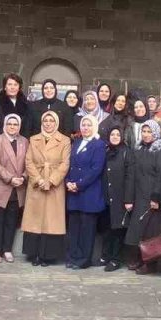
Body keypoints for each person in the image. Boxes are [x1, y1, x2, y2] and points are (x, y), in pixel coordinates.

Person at [23, 111, 71, 266]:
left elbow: (65, 163)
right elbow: (28, 161)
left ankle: (48, 256)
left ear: (56, 123)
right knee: (35, 219)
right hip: (36, 183)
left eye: (51, 120)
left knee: (51, 220)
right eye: (45, 120)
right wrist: (38, 179)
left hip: (54, 185)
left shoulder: (65, 140)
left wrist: (51, 181)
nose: (48, 123)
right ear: (42, 123)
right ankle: (34, 254)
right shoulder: (33, 139)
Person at [124, 119, 161, 275]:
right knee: (137, 230)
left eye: (149, 131)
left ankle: (150, 263)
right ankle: (139, 258)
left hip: (152, 197)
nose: (146, 134)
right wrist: (129, 198)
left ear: (155, 133)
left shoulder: (160, 151)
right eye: (143, 131)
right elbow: (132, 174)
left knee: (151, 231)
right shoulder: (138, 149)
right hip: (139, 195)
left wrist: (156, 198)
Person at [65, 115, 107, 269]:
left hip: (89, 193)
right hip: (73, 193)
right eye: (83, 125)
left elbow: (96, 170)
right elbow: (70, 165)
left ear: (94, 127)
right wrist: (68, 181)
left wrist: (79, 184)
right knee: (74, 228)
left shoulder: (99, 145)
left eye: (89, 125)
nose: (86, 128)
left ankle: (83, 260)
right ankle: (72, 257)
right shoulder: (76, 143)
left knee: (87, 230)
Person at [0, 113, 28, 262]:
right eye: (9, 124)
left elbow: (29, 162)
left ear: (19, 126)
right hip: (1, 186)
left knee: (11, 221)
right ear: (5, 125)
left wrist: (23, 177)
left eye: (15, 124)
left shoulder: (25, 141)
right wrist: (10, 178)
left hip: (18, 188)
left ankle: (7, 249)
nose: (12, 127)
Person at [101, 126, 130, 272]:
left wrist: (128, 199)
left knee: (118, 230)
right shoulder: (106, 151)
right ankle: (106, 255)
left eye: (118, 134)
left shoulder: (126, 152)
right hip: (107, 196)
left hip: (120, 197)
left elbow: (130, 176)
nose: (115, 137)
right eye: (112, 134)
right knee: (107, 229)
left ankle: (116, 259)